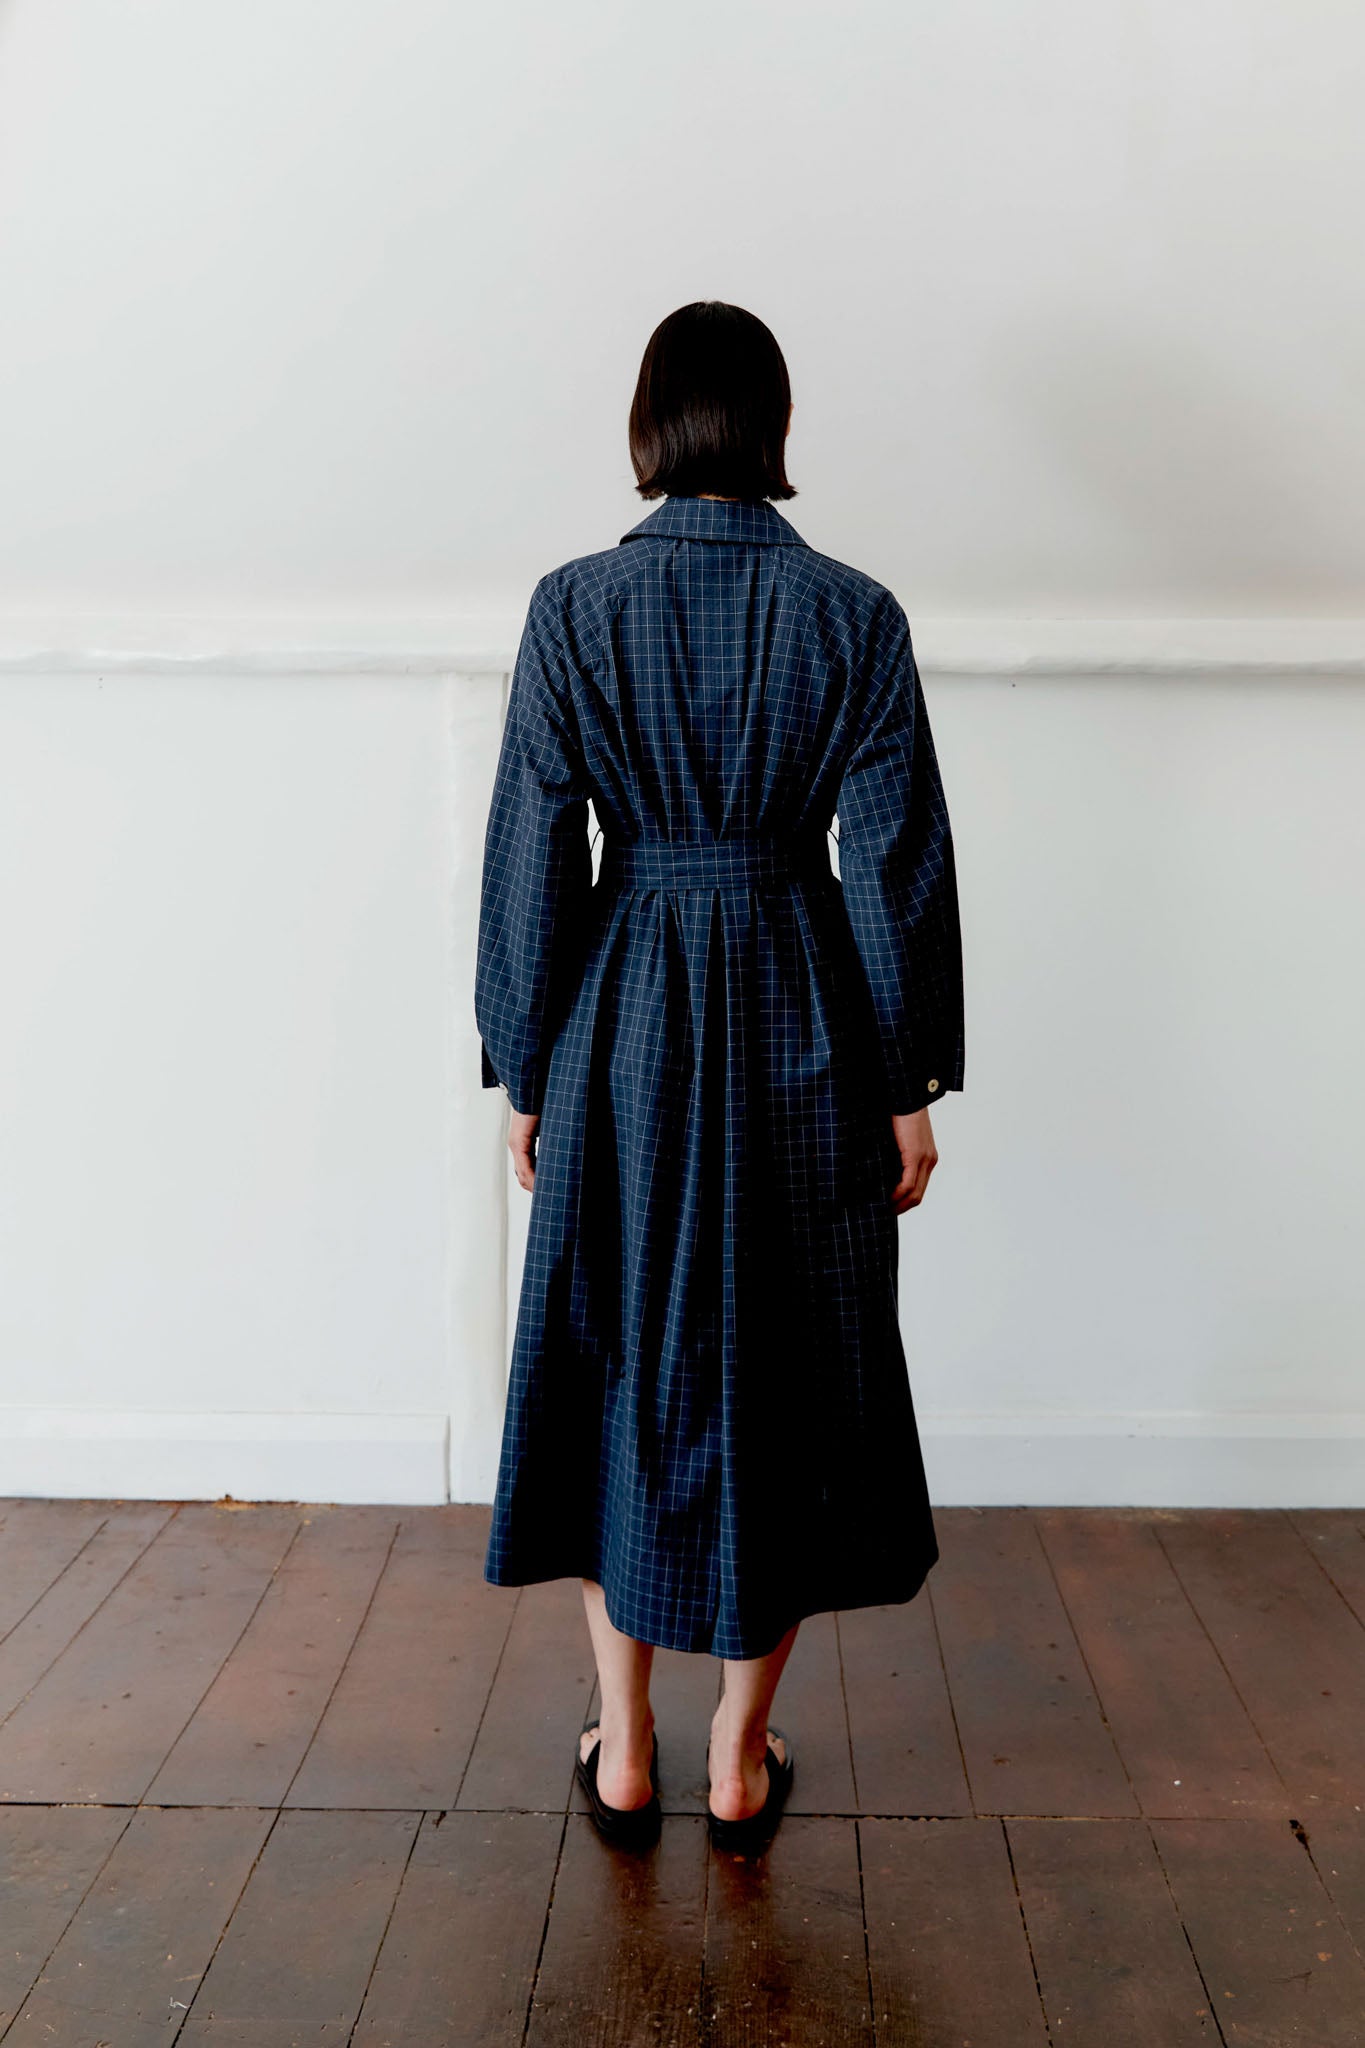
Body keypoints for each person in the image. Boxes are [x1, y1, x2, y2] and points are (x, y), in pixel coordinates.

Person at [475, 300, 965, 1852]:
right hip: (800, 1008)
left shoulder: (571, 607)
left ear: (647, 428)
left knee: (615, 1355)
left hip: (619, 1015)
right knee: (790, 1367)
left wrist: (524, 1063)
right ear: (775, 427)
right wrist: (907, 1082)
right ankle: (736, 1761)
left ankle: (624, 1748)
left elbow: (534, 851)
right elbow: (891, 865)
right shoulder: (853, 614)